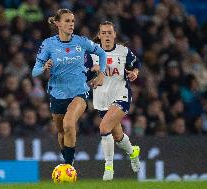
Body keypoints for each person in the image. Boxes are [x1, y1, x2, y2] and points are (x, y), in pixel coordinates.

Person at [31, 9, 107, 165]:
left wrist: (101, 74)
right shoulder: (48, 44)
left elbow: (102, 54)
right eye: (67, 21)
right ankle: (68, 161)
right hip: (57, 94)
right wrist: (44, 66)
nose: (71, 24)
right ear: (58, 23)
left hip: (79, 92)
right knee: (61, 131)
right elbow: (34, 72)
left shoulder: (81, 41)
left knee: (68, 124)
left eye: (72, 21)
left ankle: (68, 167)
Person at [86, 21, 141, 181]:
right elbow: (86, 76)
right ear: (99, 35)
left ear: (115, 34)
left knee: (104, 128)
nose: (107, 36)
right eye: (104, 33)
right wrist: (92, 72)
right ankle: (133, 152)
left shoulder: (123, 51)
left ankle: (108, 167)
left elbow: (135, 63)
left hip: (121, 95)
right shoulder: (93, 54)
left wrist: (135, 72)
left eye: (110, 32)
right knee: (118, 136)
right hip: (102, 99)